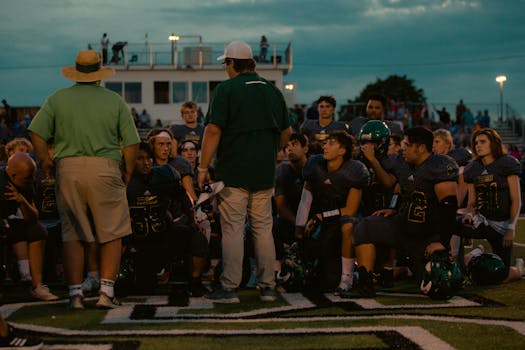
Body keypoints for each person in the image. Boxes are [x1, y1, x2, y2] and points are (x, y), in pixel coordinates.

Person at [28, 49, 140, 309]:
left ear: (76, 72)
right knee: (112, 233)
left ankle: (75, 293)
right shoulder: (114, 101)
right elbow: (132, 142)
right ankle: (106, 293)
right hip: (105, 167)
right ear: (99, 73)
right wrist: (128, 170)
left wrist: (45, 160)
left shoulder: (58, 99)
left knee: (72, 233)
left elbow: (36, 132)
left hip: (68, 169)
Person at [197, 40, 291, 303]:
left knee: (233, 230)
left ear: (231, 63)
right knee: (263, 229)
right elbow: (287, 133)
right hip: (263, 172)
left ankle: (229, 287)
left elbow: (213, 130)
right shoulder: (273, 91)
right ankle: (268, 286)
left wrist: (203, 167)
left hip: (234, 171)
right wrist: (269, 151)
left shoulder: (226, 89)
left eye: (225, 63)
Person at [353, 127, 459, 297]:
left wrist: (442, 242)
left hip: (426, 237)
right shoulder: (402, 163)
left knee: (436, 287)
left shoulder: (440, 165)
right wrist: (393, 208)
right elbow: (390, 183)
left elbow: (449, 206)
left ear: (421, 148)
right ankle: (366, 282)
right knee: (364, 227)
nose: (403, 148)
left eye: (407, 145)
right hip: (402, 226)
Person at [126, 142, 208, 296]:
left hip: (163, 235)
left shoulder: (164, 174)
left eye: (149, 158)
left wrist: (192, 220)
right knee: (141, 288)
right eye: (140, 158)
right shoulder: (125, 180)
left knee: (197, 238)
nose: (146, 162)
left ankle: (195, 282)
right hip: (137, 243)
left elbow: (183, 197)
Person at [295, 131, 369, 293]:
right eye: (326, 142)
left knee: (347, 224)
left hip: (345, 220)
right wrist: (299, 228)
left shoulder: (354, 170)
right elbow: (305, 199)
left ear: (342, 151)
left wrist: (322, 216)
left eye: (331, 143)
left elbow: (350, 210)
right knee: (323, 280)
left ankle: (347, 278)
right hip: (323, 221)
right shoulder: (314, 165)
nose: (325, 146)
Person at [1, 153, 59, 301]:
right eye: (28, 178)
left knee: (37, 230)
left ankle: (37, 285)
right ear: (13, 175)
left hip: (10, 223)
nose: (32, 180)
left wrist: (21, 201)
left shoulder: (25, 182)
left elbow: (33, 217)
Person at [460, 128, 521, 268]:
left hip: (501, 226)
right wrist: (469, 214)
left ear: (494, 143)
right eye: (476, 143)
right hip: (481, 221)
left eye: (482, 142)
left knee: (501, 273)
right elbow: (471, 202)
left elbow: (516, 200)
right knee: (453, 224)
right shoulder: (472, 168)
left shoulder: (507, 163)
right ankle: (458, 265)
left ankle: (518, 268)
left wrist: (511, 228)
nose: (478, 145)